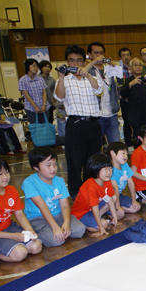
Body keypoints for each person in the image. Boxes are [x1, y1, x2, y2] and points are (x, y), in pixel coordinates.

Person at [54, 44, 104, 196]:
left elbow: (99, 90)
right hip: (75, 124)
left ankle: (92, 191)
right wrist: (61, 78)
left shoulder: (93, 77)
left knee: (93, 160)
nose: (75, 64)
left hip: (93, 124)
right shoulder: (64, 80)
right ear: (67, 62)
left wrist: (87, 74)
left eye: (78, 60)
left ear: (84, 62)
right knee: (74, 161)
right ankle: (76, 194)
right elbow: (60, 97)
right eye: (71, 61)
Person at [0, 156, 42, 262]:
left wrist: (30, 230)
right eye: (0, 174)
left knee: (36, 247)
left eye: (7, 172)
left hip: (10, 227)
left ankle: (11, 247)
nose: (5, 177)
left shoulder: (11, 190)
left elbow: (19, 214)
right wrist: (14, 236)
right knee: (20, 253)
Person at [22, 146, 86, 247]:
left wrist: (66, 222)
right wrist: (55, 227)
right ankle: (36, 232)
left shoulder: (59, 181)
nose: (53, 168)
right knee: (57, 240)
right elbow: (42, 206)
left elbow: (64, 205)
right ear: (36, 167)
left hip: (58, 215)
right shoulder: (29, 183)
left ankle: (60, 229)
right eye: (48, 165)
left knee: (79, 230)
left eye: (55, 164)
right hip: (38, 218)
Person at [71, 153, 123, 236]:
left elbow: (109, 200)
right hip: (82, 213)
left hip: (94, 207)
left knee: (116, 206)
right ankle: (86, 224)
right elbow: (94, 207)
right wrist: (101, 228)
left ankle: (98, 220)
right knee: (103, 225)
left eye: (110, 169)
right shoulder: (91, 186)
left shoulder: (107, 180)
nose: (109, 172)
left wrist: (115, 218)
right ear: (96, 169)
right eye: (105, 169)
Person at [87, 42, 121, 145]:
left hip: (112, 112)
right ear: (90, 54)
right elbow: (81, 73)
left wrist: (112, 64)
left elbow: (121, 80)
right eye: (96, 53)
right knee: (95, 145)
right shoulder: (88, 69)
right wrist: (92, 62)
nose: (99, 56)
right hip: (96, 114)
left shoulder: (109, 68)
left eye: (101, 53)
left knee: (115, 146)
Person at [120, 58, 146, 147]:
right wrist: (131, 84)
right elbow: (122, 94)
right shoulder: (128, 80)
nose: (138, 67)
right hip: (135, 115)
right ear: (131, 67)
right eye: (136, 65)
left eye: (140, 65)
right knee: (138, 139)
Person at [107, 141, 140, 215]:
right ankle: (108, 210)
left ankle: (113, 209)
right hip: (108, 198)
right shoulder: (109, 170)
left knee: (136, 207)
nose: (126, 156)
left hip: (119, 195)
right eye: (123, 153)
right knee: (121, 213)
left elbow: (131, 183)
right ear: (112, 153)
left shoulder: (124, 165)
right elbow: (115, 189)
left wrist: (134, 200)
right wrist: (117, 206)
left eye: (126, 154)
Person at [19, 58, 48, 125]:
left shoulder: (40, 79)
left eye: (37, 66)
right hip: (31, 109)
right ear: (27, 67)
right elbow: (26, 95)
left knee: (45, 128)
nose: (36, 68)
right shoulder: (23, 80)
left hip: (43, 108)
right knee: (36, 129)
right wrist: (35, 107)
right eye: (33, 66)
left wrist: (44, 104)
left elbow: (44, 93)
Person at [117, 47, 133, 145]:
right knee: (126, 122)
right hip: (124, 99)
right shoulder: (118, 69)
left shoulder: (134, 66)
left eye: (127, 55)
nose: (126, 57)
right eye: (123, 55)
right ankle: (128, 143)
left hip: (135, 100)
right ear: (120, 57)